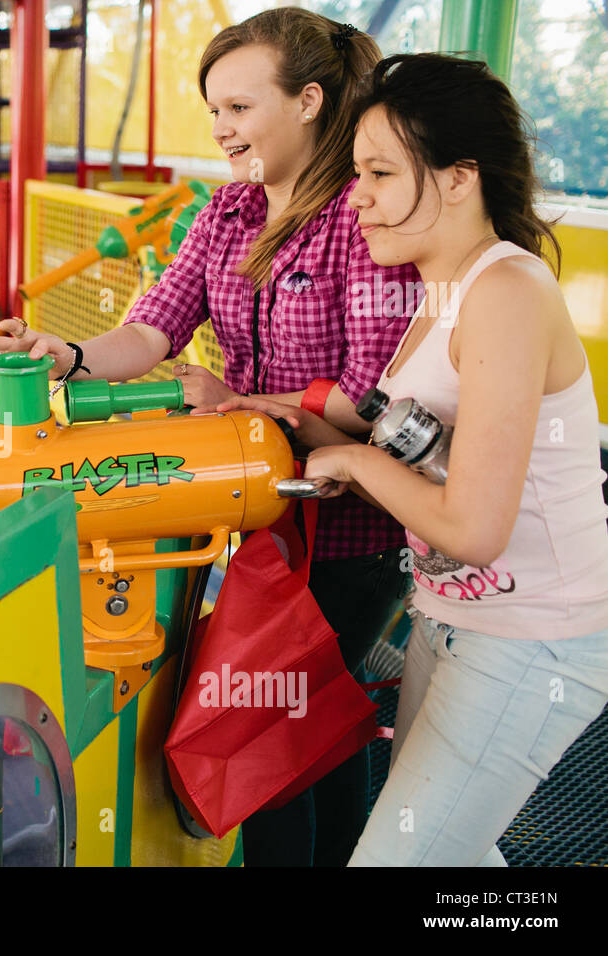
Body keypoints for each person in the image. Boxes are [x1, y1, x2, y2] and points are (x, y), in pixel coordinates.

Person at [0, 9, 420, 867]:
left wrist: (240, 400)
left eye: (241, 108)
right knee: (316, 729)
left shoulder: (363, 219)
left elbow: (374, 397)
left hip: (350, 528)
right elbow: (153, 331)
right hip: (262, 524)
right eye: (214, 109)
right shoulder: (226, 214)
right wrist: (63, 354)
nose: (221, 128)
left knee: (269, 744)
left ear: (311, 101)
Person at [222, 54, 608, 866]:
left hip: (532, 636)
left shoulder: (504, 292)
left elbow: (471, 525)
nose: (355, 194)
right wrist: (293, 426)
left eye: (379, 173)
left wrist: (356, 467)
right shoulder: (441, 292)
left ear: (460, 177)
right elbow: (427, 459)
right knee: (444, 852)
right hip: (456, 619)